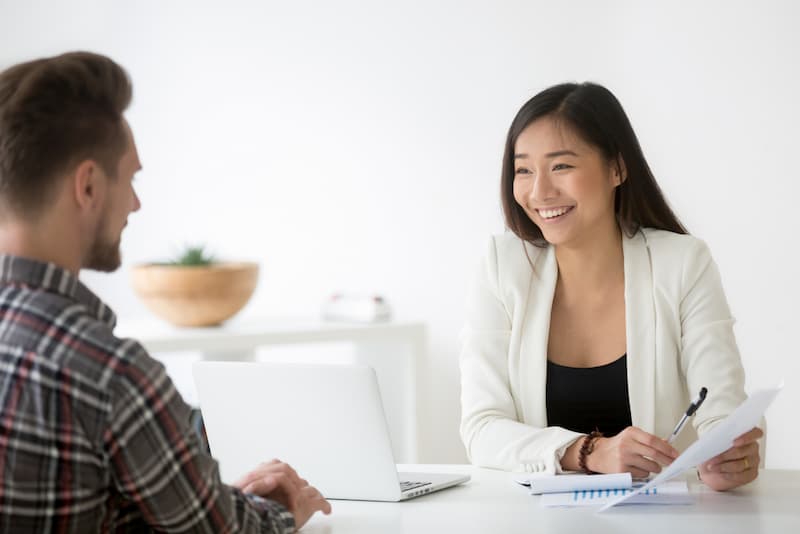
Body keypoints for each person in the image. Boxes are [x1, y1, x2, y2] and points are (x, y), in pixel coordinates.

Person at [0, 52, 331, 532]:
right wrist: (281, 507)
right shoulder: (107, 373)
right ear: (88, 185)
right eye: (130, 178)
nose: (136, 203)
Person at [459, 82, 762, 491]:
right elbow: (482, 429)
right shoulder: (502, 266)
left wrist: (727, 455)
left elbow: (720, 406)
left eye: (561, 166)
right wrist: (589, 451)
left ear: (617, 168)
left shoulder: (683, 263)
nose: (539, 191)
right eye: (524, 169)